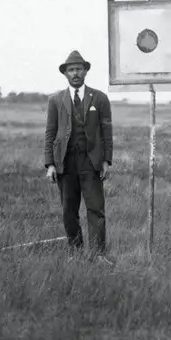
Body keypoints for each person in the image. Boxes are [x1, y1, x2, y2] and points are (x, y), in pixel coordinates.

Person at [43, 50, 114, 264]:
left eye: (79, 69)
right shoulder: (56, 100)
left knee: (96, 208)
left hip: (91, 162)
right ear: (65, 73)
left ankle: (98, 254)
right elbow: (50, 132)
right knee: (69, 210)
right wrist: (50, 164)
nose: (75, 73)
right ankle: (75, 253)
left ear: (85, 71)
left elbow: (107, 131)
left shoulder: (99, 98)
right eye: (71, 70)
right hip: (65, 162)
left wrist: (106, 160)